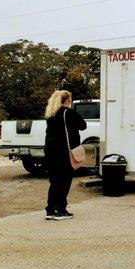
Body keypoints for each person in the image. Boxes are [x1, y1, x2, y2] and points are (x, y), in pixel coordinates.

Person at [43, 90, 86, 220]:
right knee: (65, 180)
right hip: (65, 151)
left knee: (55, 181)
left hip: (50, 151)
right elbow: (83, 125)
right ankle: (61, 210)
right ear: (67, 101)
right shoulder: (69, 113)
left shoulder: (50, 115)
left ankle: (50, 210)